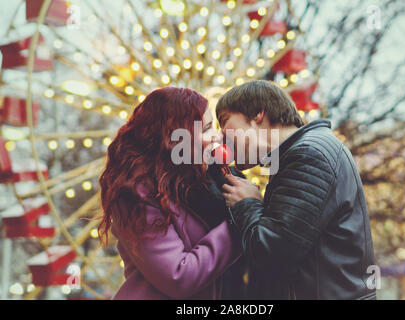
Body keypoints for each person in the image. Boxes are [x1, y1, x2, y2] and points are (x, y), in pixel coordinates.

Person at [217, 80, 377, 300]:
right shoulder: (305, 151)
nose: (222, 137)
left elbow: (272, 255)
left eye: (224, 122)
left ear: (257, 115)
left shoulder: (308, 155)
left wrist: (248, 204)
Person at [97, 87, 242, 299]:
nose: (217, 135)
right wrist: (241, 218)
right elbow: (179, 276)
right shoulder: (136, 194)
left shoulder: (209, 178)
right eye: (207, 129)